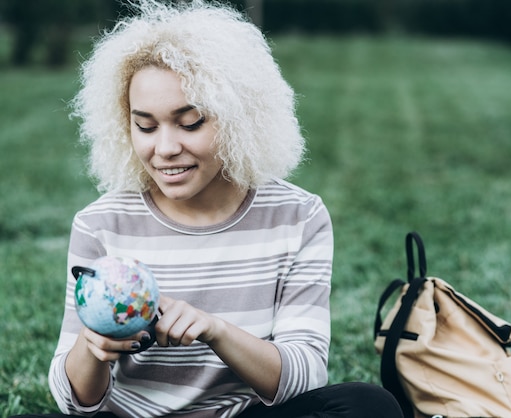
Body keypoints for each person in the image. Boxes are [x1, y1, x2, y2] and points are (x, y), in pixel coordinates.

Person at [14, 1, 403, 417]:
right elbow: (75, 401)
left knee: (367, 406)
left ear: (239, 118)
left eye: (191, 122)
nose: (164, 149)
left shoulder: (297, 216)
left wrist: (215, 331)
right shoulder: (101, 223)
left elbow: (305, 375)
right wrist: (93, 346)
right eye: (145, 125)